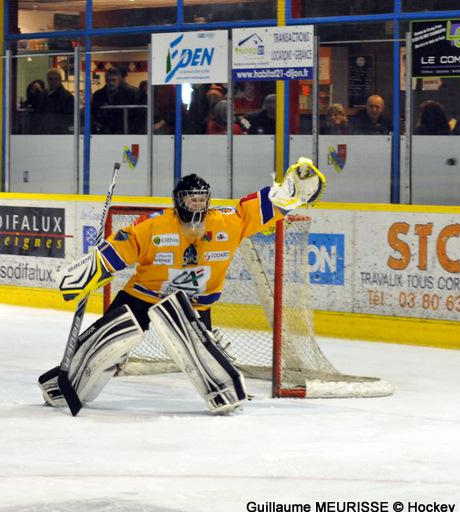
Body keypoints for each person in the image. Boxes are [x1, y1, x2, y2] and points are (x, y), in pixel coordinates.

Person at [38, 158, 327, 415]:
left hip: (194, 306)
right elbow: (120, 247)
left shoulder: (228, 223)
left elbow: (262, 207)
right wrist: (86, 273)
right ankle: (62, 384)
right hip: (142, 297)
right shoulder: (154, 226)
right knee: (109, 340)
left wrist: (292, 193)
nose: (198, 205)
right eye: (191, 200)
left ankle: (221, 387)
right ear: (178, 200)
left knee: (200, 347)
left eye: (202, 200)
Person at [91, 66, 138, 134]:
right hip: (104, 130)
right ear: (105, 80)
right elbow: (93, 113)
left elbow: (136, 115)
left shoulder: (131, 94)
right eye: (108, 80)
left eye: (113, 80)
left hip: (124, 130)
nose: (111, 83)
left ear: (119, 80)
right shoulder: (98, 95)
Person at [34, 68, 74, 134]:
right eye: (50, 79)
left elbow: (69, 118)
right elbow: (37, 111)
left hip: (58, 132)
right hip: (42, 130)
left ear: (60, 80)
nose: (52, 81)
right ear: (47, 80)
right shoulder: (43, 94)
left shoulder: (67, 96)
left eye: (55, 79)